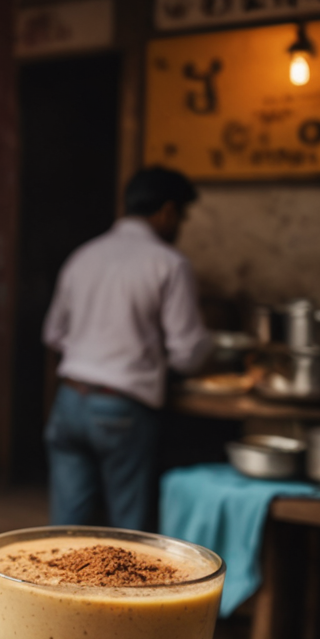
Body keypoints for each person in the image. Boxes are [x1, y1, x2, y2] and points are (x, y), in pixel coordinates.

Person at [42, 166, 211, 531]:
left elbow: (53, 334)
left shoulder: (83, 255)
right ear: (167, 211)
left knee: (65, 529)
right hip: (123, 410)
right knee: (127, 532)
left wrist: (93, 347)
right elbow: (187, 353)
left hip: (69, 400)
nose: (179, 226)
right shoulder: (169, 263)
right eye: (181, 216)